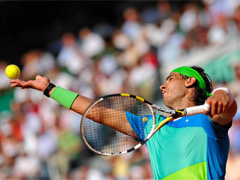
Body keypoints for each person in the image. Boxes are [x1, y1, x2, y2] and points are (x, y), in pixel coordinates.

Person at [10, 65, 237, 179]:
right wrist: (50, 90)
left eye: (170, 79)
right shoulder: (153, 125)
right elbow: (96, 112)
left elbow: (227, 107)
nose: (162, 85)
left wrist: (222, 92)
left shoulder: (210, 120)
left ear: (189, 82)